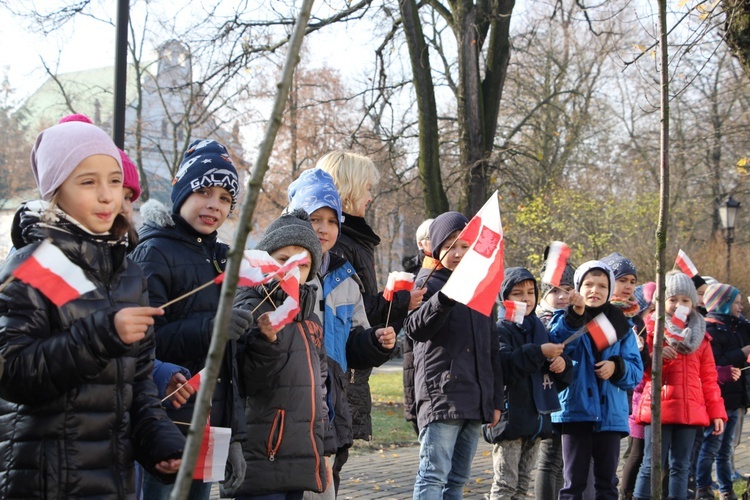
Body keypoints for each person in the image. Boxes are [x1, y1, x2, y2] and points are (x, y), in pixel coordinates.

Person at [0, 120, 186, 498]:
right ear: (56, 190)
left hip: (111, 480)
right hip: (44, 480)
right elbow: (13, 372)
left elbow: (138, 384)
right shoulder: (33, 266)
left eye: (115, 181)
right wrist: (102, 335)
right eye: (88, 182)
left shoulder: (128, 274)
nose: (106, 196)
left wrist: (162, 444)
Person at [130, 139, 251, 499]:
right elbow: (144, 342)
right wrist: (213, 329)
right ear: (181, 191)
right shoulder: (153, 252)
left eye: (226, 198)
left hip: (209, 421)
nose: (214, 205)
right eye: (204, 191)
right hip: (163, 420)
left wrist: (234, 437)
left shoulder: (224, 258)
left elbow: (227, 366)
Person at [286, 168, 396, 495]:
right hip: (287, 405)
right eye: (314, 218)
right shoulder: (277, 269)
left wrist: (375, 342)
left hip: (331, 404)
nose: (323, 228)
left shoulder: (345, 279)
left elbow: (354, 342)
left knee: (325, 487)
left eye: (332, 220)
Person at [317, 151, 425, 443]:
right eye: (366, 188)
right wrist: (400, 302)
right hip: (338, 373)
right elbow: (351, 316)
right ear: (349, 188)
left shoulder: (352, 239)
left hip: (349, 374)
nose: (369, 197)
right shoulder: (339, 243)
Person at [231, 209, 330, 499]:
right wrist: (265, 341)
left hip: (301, 450)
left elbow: (320, 383)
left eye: (302, 264)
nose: (291, 270)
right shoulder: (250, 306)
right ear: (264, 260)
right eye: (284, 259)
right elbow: (247, 380)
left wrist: (328, 439)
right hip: (264, 449)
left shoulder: (311, 317)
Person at [404, 211, 504, 499]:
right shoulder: (427, 284)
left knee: (458, 479)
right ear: (435, 248)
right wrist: (444, 299)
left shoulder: (481, 287)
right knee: (433, 474)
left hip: (476, 398)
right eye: (450, 246)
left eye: (465, 245)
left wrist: (495, 399)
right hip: (443, 396)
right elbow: (414, 328)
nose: (458, 253)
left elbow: (491, 349)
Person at [549, 260, 644, 500]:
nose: (595, 290)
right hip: (575, 411)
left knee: (607, 484)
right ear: (578, 288)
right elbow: (554, 345)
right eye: (588, 284)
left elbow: (636, 372)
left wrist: (617, 367)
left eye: (602, 286)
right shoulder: (564, 318)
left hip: (610, 416)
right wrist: (574, 317)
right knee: (573, 484)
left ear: (609, 291)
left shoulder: (622, 325)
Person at [633, 271, 727, 500]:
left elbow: (709, 377)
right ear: (661, 301)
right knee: (651, 464)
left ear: (693, 303)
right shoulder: (651, 329)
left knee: (681, 467)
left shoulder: (701, 336)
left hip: (690, 410)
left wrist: (716, 412)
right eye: (672, 299)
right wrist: (658, 357)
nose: (678, 305)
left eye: (685, 300)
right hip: (659, 408)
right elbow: (642, 374)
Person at [488, 267, 572, 499]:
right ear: (505, 298)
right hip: (511, 417)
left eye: (530, 292)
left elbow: (556, 379)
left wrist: (561, 365)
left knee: (523, 483)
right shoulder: (501, 328)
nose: (526, 298)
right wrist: (538, 352)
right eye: (517, 293)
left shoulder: (539, 328)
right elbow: (505, 366)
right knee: (506, 483)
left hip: (536, 418)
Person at [695, 283, 750, 499]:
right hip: (718, 399)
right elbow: (715, 364)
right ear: (723, 304)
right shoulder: (710, 329)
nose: (740, 307)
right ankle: (703, 486)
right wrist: (742, 352)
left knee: (727, 449)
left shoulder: (737, 327)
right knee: (711, 447)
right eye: (736, 303)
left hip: (736, 398)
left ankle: (726, 489)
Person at [534, 258, 576, 500]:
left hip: (572, 398)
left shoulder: (576, 318)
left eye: (568, 290)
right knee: (550, 458)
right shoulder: (540, 320)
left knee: (562, 460)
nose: (561, 296)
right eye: (554, 290)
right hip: (549, 398)